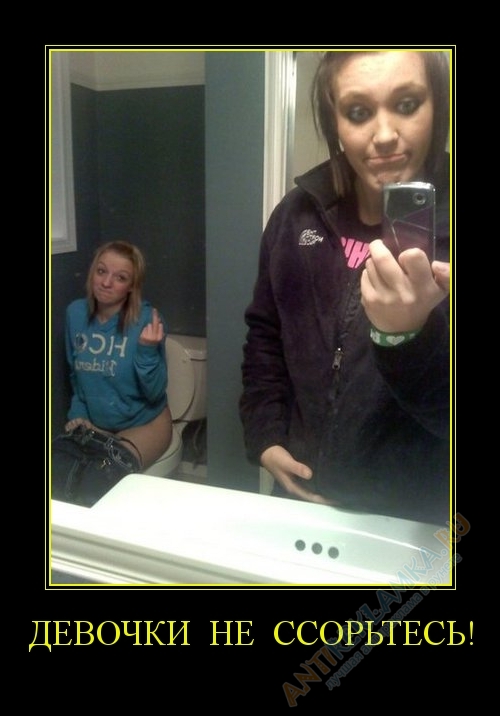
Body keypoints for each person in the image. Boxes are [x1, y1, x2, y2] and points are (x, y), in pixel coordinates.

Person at [240, 50, 451, 525]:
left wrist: (408, 337)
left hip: (412, 521)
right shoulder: (296, 216)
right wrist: (264, 434)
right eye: (358, 112)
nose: (385, 134)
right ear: (334, 121)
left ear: (437, 105)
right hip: (300, 497)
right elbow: (265, 333)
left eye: (407, 104)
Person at [52, 240, 172, 505]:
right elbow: (75, 376)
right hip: (96, 421)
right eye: (101, 271)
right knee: (57, 475)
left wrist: (147, 352)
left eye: (120, 277)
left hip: (145, 423)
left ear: (131, 286)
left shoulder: (147, 320)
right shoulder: (75, 314)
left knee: (98, 484)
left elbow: (154, 393)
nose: (106, 283)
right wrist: (79, 413)